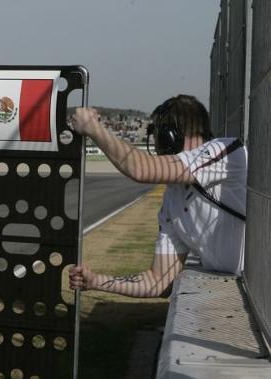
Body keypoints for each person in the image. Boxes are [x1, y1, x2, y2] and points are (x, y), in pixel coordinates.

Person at [67, 95, 247, 297]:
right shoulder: (173, 200)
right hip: (246, 290)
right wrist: (98, 281)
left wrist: (93, 128)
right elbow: (158, 281)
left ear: (169, 138)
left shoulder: (225, 152)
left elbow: (142, 170)